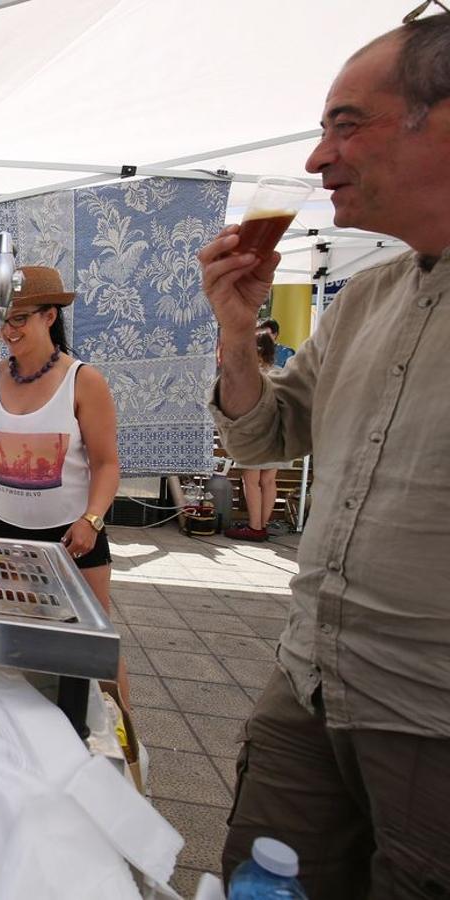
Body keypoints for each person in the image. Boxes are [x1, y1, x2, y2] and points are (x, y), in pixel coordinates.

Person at [200, 16, 450, 897]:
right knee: (260, 881)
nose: (316, 159)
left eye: (346, 124)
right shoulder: (363, 300)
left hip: (430, 721)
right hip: (307, 680)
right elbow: (267, 437)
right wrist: (238, 341)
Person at [0, 266, 125, 703]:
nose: (8, 330)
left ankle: (123, 750)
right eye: (2, 318)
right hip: (0, 530)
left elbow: (107, 463)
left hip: (72, 534)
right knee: (9, 642)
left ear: (49, 316)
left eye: (20, 318)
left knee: (95, 646)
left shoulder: (84, 381)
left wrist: (92, 520)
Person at [223, 333, 284, 542]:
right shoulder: (280, 374)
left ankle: (254, 526)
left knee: (251, 480)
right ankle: (263, 525)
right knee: (268, 481)